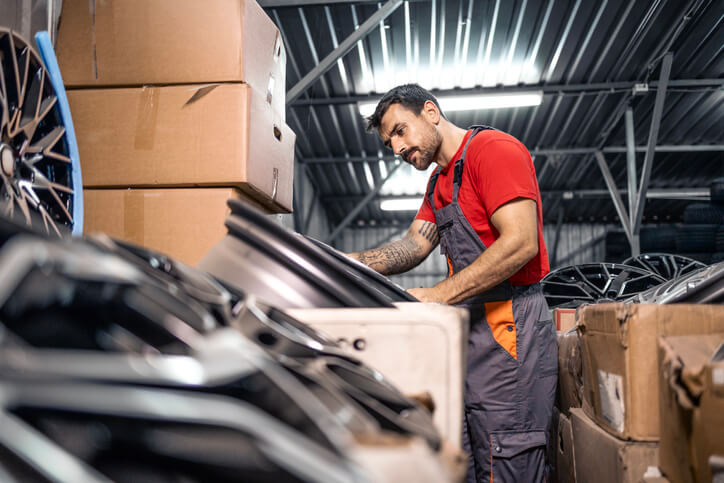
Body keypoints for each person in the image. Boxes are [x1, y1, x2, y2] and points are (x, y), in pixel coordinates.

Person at [348, 84, 557, 483]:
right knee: (469, 455)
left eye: (399, 131)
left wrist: (437, 296)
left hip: (510, 324)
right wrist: (346, 262)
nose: (396, 148)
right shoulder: (440, 182)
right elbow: (413, 246)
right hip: (470, 328)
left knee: (507, 452)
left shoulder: (493, 151)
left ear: (430, 111)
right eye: (390, 141)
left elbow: (521, 243)